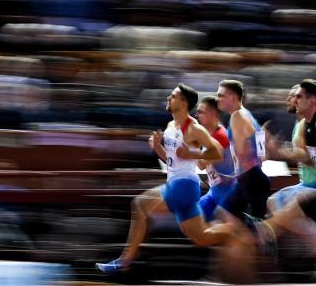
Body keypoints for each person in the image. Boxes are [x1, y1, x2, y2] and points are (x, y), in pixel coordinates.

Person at [96, 84, 233, 273]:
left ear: (183, 104)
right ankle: (236, 230)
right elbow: (172, 162)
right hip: (178, 186)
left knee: (140, 204)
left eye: (173, 96)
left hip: (185, 185)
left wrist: (192, 154)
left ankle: (124, 262)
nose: (169, 98)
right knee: (202, 237)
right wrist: (158, 148)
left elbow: (217, 152)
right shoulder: (169, 127)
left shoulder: (194, 129)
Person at [255, 79, 316, 253]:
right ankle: (273, 235)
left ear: (312, 100)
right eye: (293, 96)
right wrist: (277, 152)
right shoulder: (308, 126)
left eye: (297, 96)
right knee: (281, 208)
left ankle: (267, 232)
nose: (292, 100)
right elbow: (308, 157)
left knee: (287, 211)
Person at [215, 79, 270, 220]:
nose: (217, 99)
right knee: (225, 214)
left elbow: (241, 152)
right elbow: (262, 154)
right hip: (252, 178)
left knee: (228, 215)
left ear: (233, 97)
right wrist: (235, 174)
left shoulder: (237, 116)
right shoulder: (248, 115)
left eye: (221, 95)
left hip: (251, 180)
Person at [266, 84, 316, 215]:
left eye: (293, 96)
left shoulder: (310, 124)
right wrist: (278, 151)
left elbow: (309, 157)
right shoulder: (298, 123)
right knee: (272, 202)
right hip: (305, 183)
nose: (288, 99)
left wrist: (280, 152)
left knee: (275, 204)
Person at [196, 95, 235, 222]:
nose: (197, 115)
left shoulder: (221, 136)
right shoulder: (209, 135)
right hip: (214, 192)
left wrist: (190, 144)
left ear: (213, 114)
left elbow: (201, 164)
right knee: (193, 219)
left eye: (201, 112)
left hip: (227, 194)